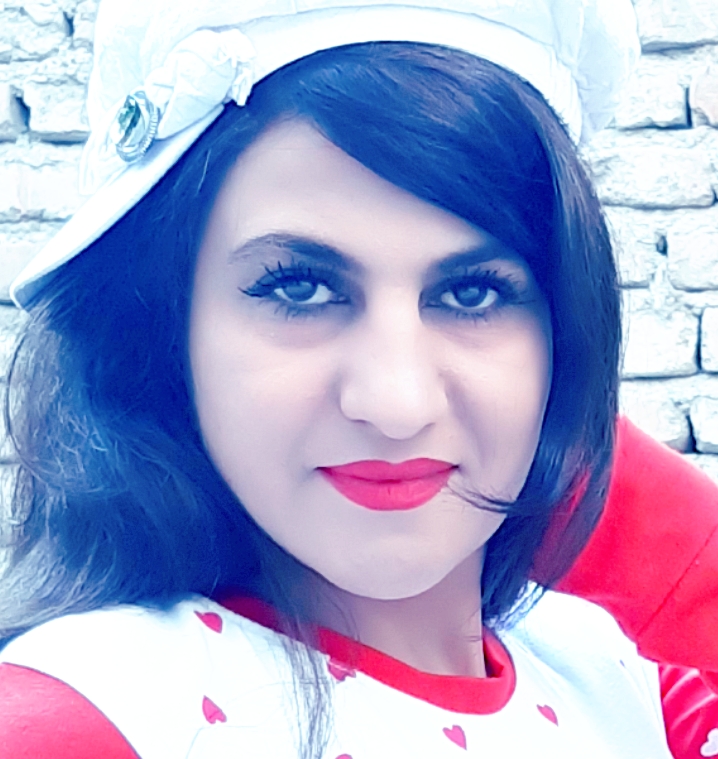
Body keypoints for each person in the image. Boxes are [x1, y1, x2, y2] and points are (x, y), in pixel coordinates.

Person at [0, 1, 716, 757]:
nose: (397, 404)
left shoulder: (628, 686)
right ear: (161, 333)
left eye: (472, 294)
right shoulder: (87, 718)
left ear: (563, 338)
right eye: (300, 288)